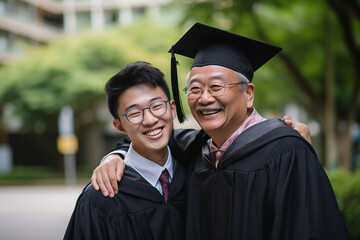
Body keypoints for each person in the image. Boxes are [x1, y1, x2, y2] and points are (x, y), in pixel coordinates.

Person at [93, 22, 349, 240]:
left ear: (248, 94)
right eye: (194, 89)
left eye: (216, 86)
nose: (204, 98)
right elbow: (152, 138)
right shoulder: (198, 148)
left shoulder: (285, 151)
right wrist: (114, 156)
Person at [64, 62, 187, 240]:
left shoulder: (195, 172)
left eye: (157, 106)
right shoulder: (100, 198)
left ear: (172, 108)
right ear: (118, 126)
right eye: (134, 113)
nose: (150, 120)